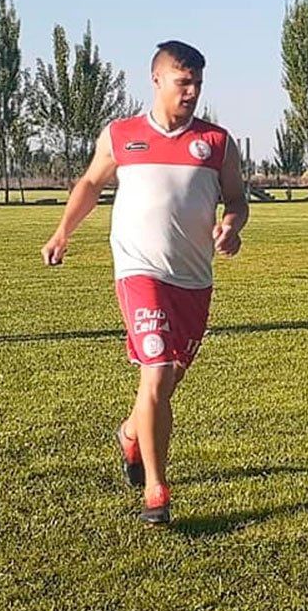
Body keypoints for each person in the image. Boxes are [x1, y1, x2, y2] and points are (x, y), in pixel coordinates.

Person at [41, 41, 249, 524]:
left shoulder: (217, 143)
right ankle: (157, 490)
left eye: (198, 82)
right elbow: (91, 184)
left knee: (167, 382)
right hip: (140, 272)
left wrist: (232, 227)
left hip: (194, 280)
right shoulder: (121, 135)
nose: (193, 91)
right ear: (156, 80)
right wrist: (62, 233)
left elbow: (237, 201)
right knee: (155, 372)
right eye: (184, 82)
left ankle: (132, 434)